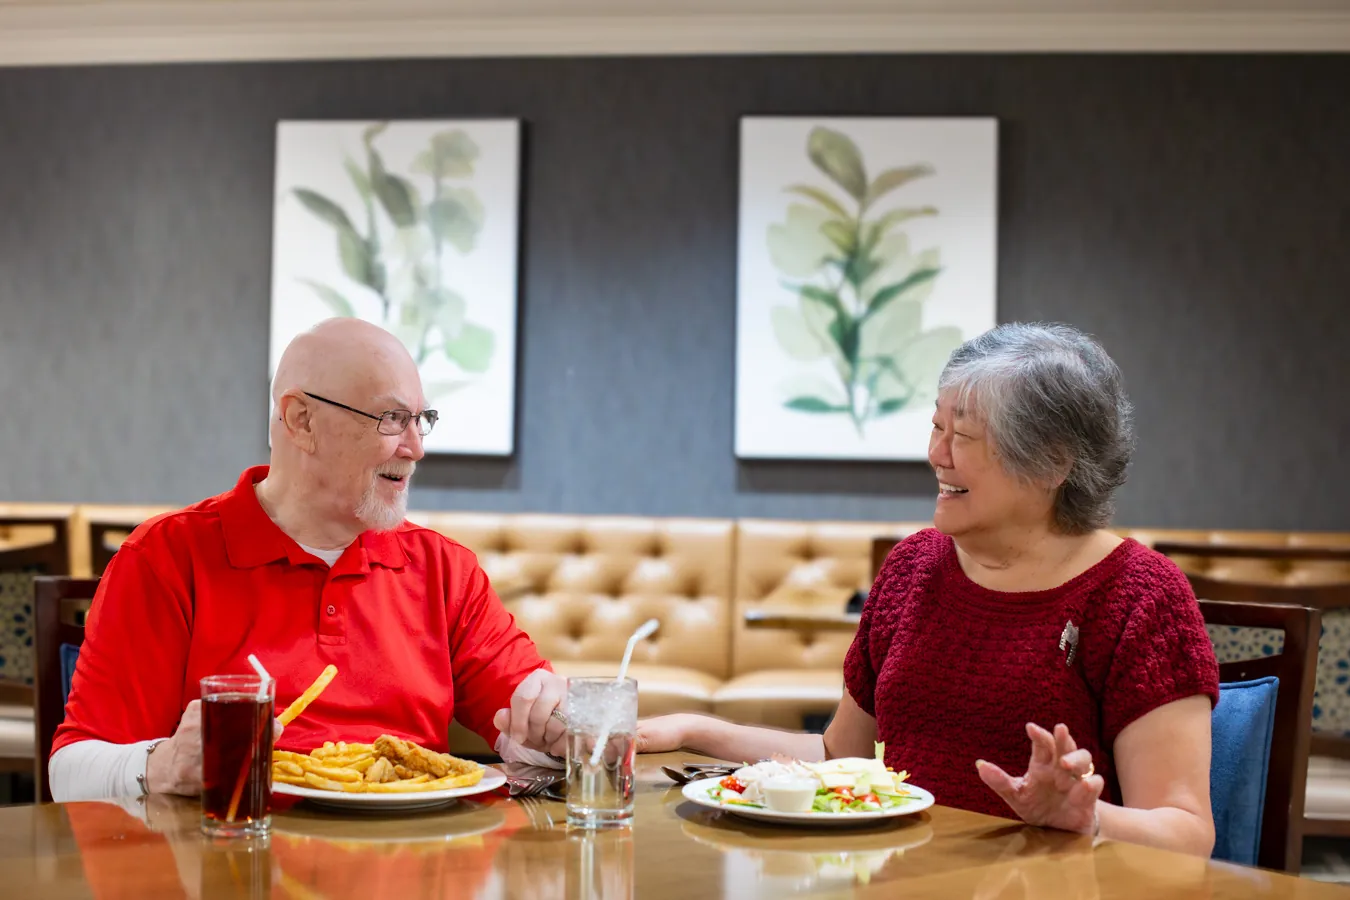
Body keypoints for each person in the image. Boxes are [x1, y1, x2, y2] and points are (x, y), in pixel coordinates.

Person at [637, 322, 1221, 857]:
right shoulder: (913, 566)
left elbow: (1187, 833)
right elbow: (841, 757)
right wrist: (695, 729)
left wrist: (1084, 818)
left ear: (1051, 463)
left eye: (962, 435)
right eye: (936, 427)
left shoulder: (1140, 594)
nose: (935, 454)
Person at [50, 318, 566, 801]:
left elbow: (528, 737)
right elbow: (70, 771)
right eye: (391, 419)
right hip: (236, 868)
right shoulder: (166, 558)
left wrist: (561, 727)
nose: (415, 448)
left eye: (421, 420)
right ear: (301, 420)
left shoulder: (444, 570)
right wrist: (165, 767)